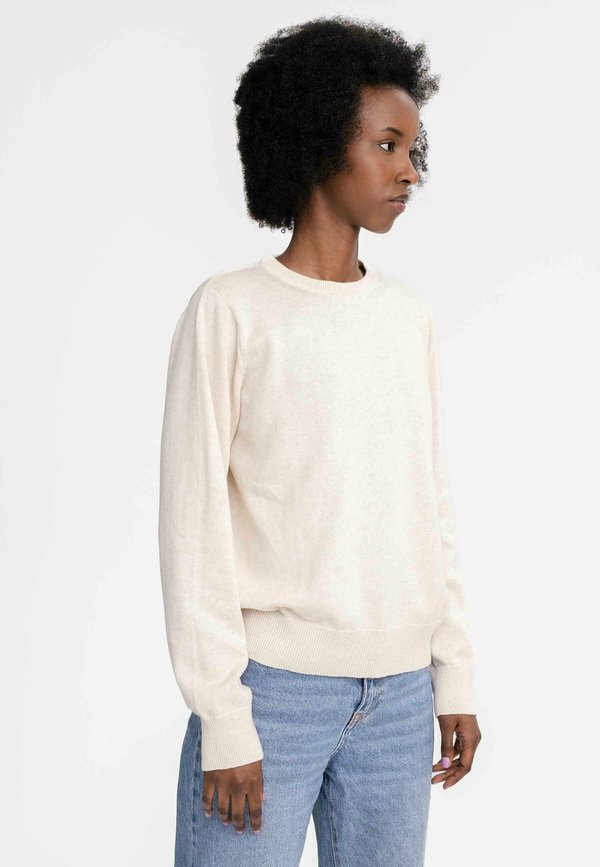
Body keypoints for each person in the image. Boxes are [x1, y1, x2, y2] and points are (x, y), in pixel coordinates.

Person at [158, 14, 483, 867]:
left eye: (414, 150)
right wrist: (224, 715)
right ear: (315, 144)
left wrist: (453, 671)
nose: (409, 171)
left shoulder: (406, 315)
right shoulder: (231, 311)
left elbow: (430, 504)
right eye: (387, 145)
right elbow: (193, 524)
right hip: (272, 699)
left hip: (402, 701)